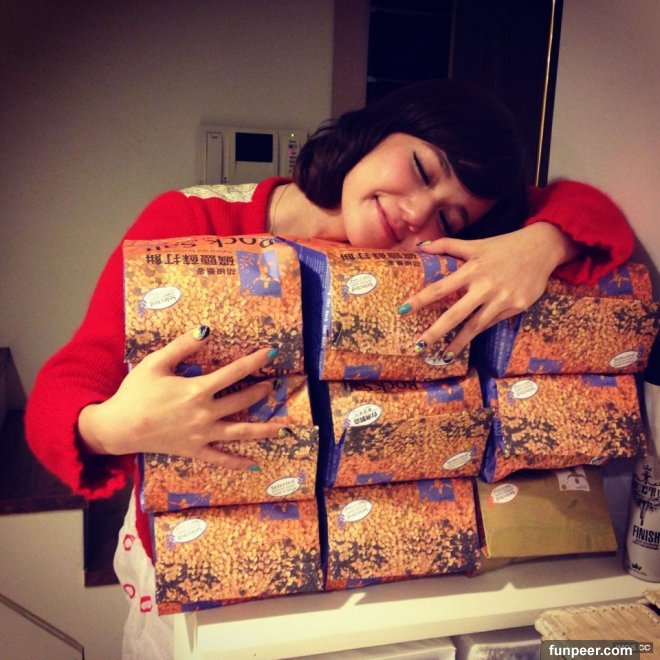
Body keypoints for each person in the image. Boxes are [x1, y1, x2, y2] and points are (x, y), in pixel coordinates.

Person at [25, 79, 634, 657]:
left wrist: (542, 242)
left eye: (450, 219)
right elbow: (58, 397)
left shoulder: (437, 264)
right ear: (379, 129)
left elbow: (591, 209)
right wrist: (116, 426)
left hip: (362, 587)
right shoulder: (191, 224)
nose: (417, 213)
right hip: (203, 587)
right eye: (422, 170)